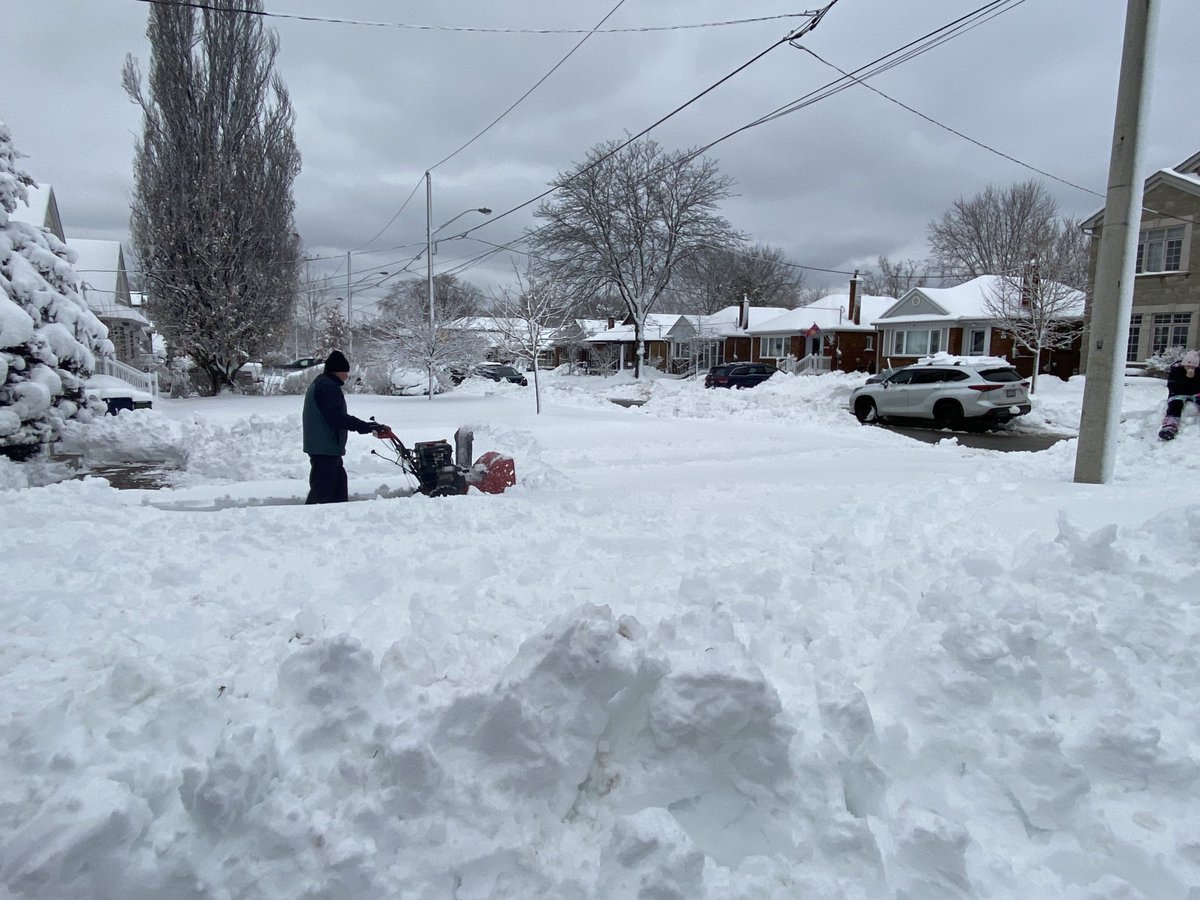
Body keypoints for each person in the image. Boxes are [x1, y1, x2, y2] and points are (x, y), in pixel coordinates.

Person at [302, 350, 393, 503]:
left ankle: (336, 520)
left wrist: (368, 426)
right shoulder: (328, 388)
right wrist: (364, 426)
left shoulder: (322, 382)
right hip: (325, 447)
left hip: (326, 447)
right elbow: (337, 418)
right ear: (338, 371)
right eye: (346, 372)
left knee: (337, 489)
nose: (347, 376)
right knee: (322, 493)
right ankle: (313, 522)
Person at [1158, 349, 1200, 441]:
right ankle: (1169, 427)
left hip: (1195, 393)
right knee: (1175, 405)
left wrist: (1194, 378)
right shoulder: (1176, 370)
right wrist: (1187, 379)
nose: (1190, 367)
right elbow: (1173, 386)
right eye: (1188, 365)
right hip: (1178, 394)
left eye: (1193, 366)